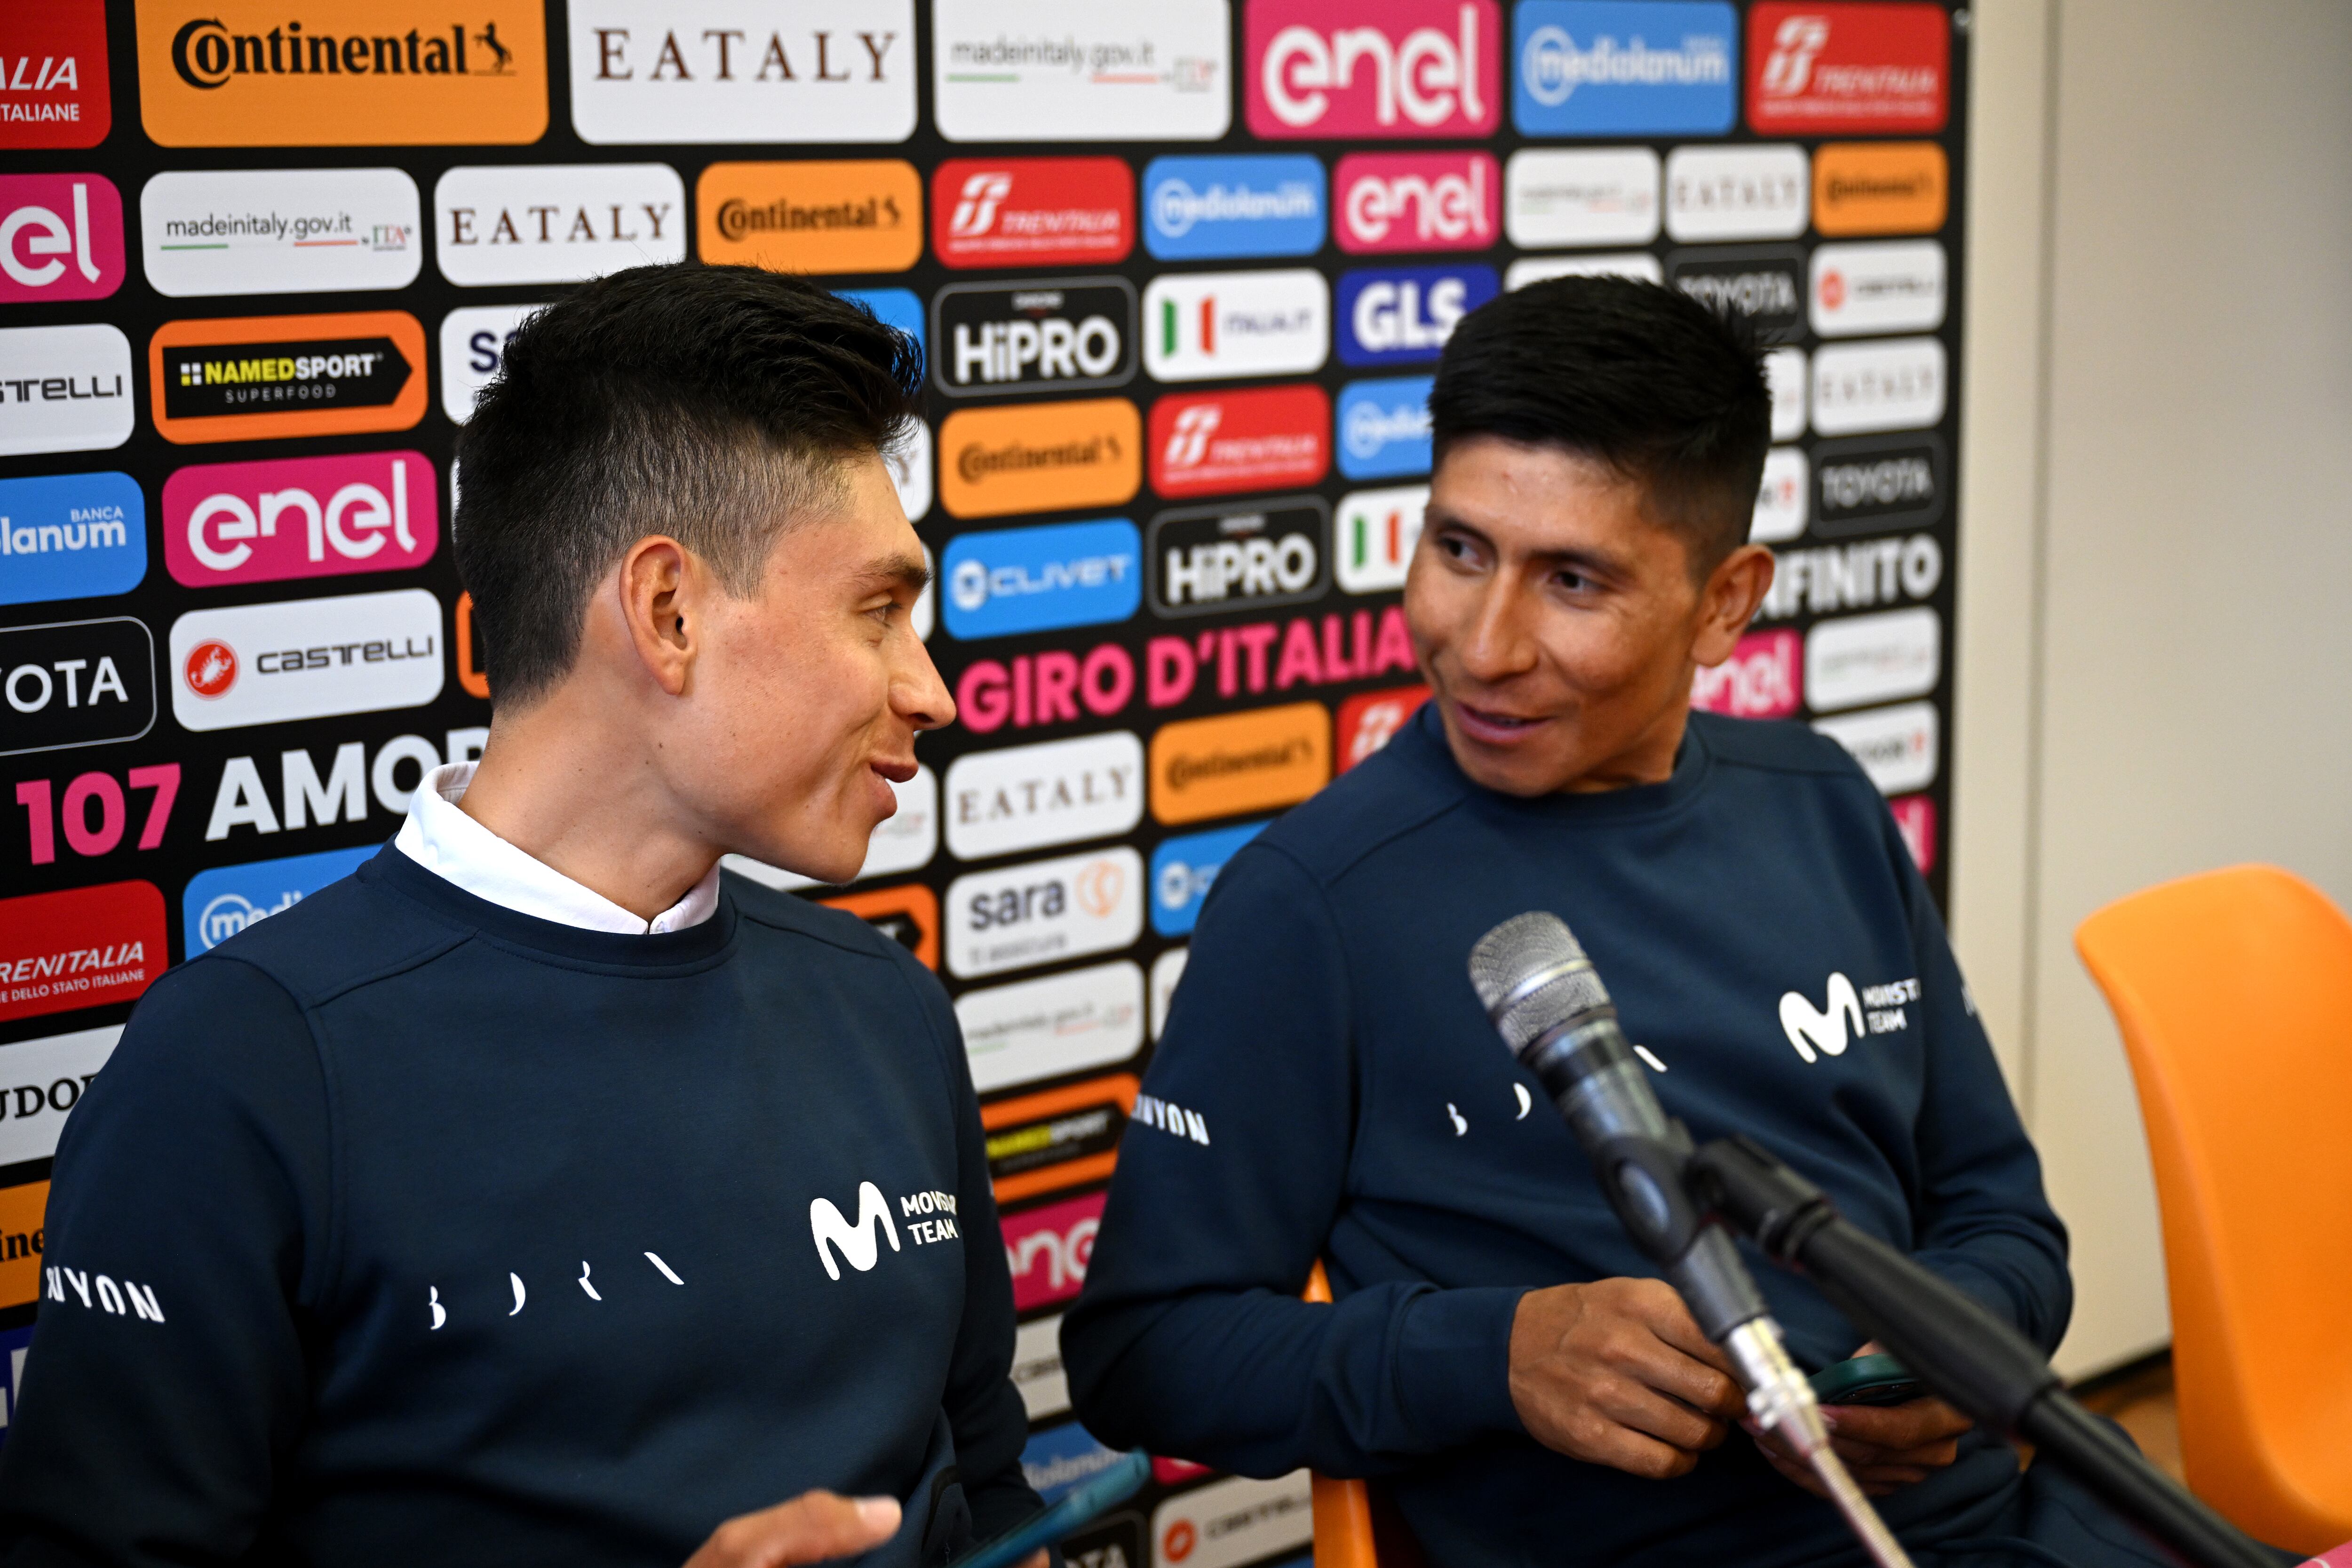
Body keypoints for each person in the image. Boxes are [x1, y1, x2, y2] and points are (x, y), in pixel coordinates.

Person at [1062, 278, 2209, 1566]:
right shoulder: (1311, 900)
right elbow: (1143, 1354)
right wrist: (1498, 1354)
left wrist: (1951, 1347)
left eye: (1574, 580)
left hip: (1987, 1529)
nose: (1484, 644)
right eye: (1458, 550)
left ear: (1726, 602)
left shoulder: (1825, 806)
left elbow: (2000, 1214)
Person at [0, 266, 1045, 1568]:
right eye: (879, 612)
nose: (931, 689)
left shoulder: (883, 1003)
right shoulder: (242, 1073)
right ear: (668, 613)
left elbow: (991, 1487)